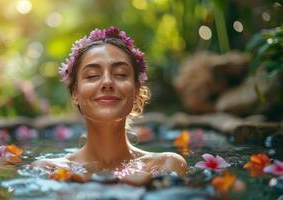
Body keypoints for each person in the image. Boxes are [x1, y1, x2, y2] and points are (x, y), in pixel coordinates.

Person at [32, 27, 188, 185]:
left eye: (120, 74)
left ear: (136, 90)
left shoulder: (166, 165)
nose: (107, 82)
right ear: (75, 93)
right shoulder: (49, 170)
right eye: (92, 75)